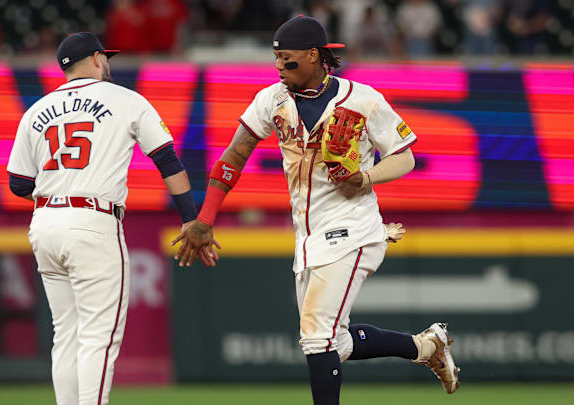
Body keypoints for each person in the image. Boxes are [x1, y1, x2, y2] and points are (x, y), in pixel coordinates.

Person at [172, 16, 460, 404]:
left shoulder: (362, 99)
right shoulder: (271, 100)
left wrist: (366, 178)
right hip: (308, 235)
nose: (278, 66)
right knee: (333, 342)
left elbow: (405, 157)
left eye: (286, 58)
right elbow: (233, 157)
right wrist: (205, 219)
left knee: (315, 337)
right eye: (275, 58)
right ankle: (427, 347)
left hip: (354, 227)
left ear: (313, 56)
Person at [6, 32, 212, 405]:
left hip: (46, 222)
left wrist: (60, 192)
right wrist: (190, 218)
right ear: (98, 59)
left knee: (65, 334)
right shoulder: (125, 99)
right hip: (93, 222)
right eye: (107, 58)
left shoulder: (36, 110)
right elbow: (168, 160)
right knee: (98, 337)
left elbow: (18, 183)